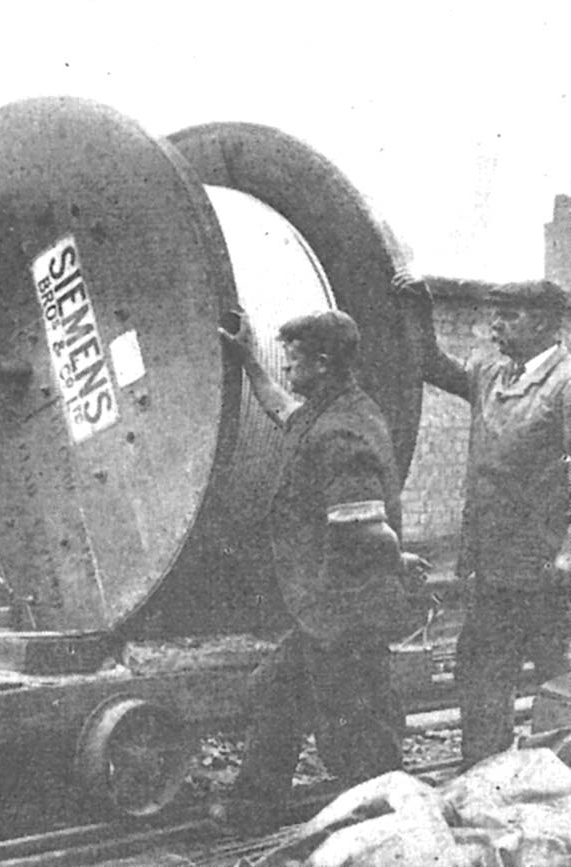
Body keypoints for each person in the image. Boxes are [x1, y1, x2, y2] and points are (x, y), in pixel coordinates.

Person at [212, 309, 423, 830]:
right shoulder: (333, 411)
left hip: (344, 609)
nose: (286, 369)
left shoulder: (341, 436)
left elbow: (360, 535)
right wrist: (250, 365)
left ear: (323, 363)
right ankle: (254, 808)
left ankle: (386, 826)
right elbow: (285, 411)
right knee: (280, 693)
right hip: (331, 608)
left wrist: (332, 614)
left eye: (293, 359)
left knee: (351, 729)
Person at [393, 272, 571, 768]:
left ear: (546, 324)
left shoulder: (565, 384)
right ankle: (485, 777)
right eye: (495, 314)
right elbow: (432, 364)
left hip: (545, 570)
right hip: (493, 564)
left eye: (508, 315)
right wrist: (418, 310)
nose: (496, 326)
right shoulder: (492, 376)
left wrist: (568, 552)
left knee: (559, 671)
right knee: (482, 670)